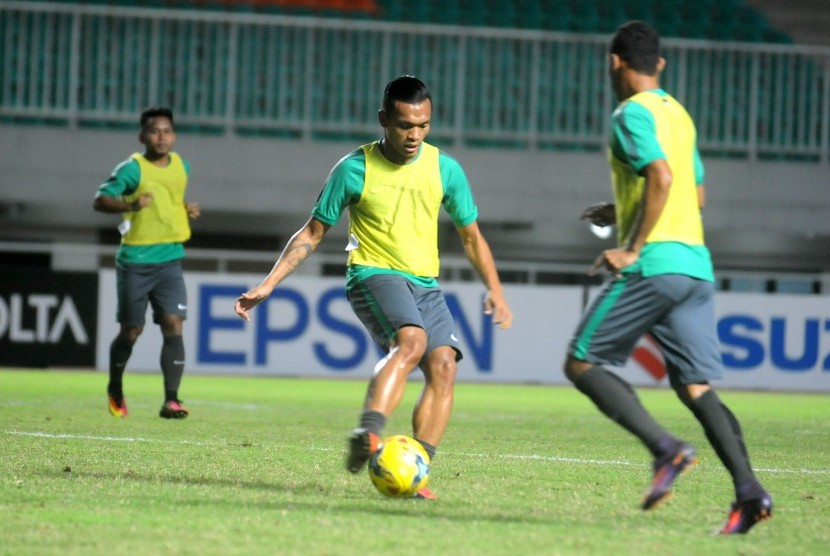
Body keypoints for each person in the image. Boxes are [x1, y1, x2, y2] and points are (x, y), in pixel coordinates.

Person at [234, 75, 513, 499]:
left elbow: (472, 237)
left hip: (425, 282)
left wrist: (495, 289)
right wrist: (269, 284)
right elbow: (311, 233)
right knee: (411, 342)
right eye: (405, 125)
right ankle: (369, 432)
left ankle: (415, 468)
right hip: (373, 273)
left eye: (423, 125)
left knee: (444, 367)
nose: (414, 135)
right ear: (384, 120)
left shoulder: (445, 169)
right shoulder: (354, 169)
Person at [564, 21, 772, 534]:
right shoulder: (678, 114)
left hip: (654, 263)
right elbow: (693, 196)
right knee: (695, 387)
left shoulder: (628, 113)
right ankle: (749, 491)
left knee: (582, 363)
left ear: (614, 62)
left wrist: (631, 245)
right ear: (659, 64)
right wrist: (622, 208)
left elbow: (661, 177)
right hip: (695, 266)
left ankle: (667, 449)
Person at [93, 106, 200, 420]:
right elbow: (99, 200)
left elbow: (169, 198)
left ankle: (172, 401)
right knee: (131, 331)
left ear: (174, 135)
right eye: (154, 131)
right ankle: (115, 386)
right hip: (135, 261)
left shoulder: (182, 166)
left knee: (173, 325)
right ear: (143, 136)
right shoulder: (132, 169)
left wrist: (185, 208)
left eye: (167, 131)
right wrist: (130, 204)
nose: (162, 137)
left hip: (170, 258)